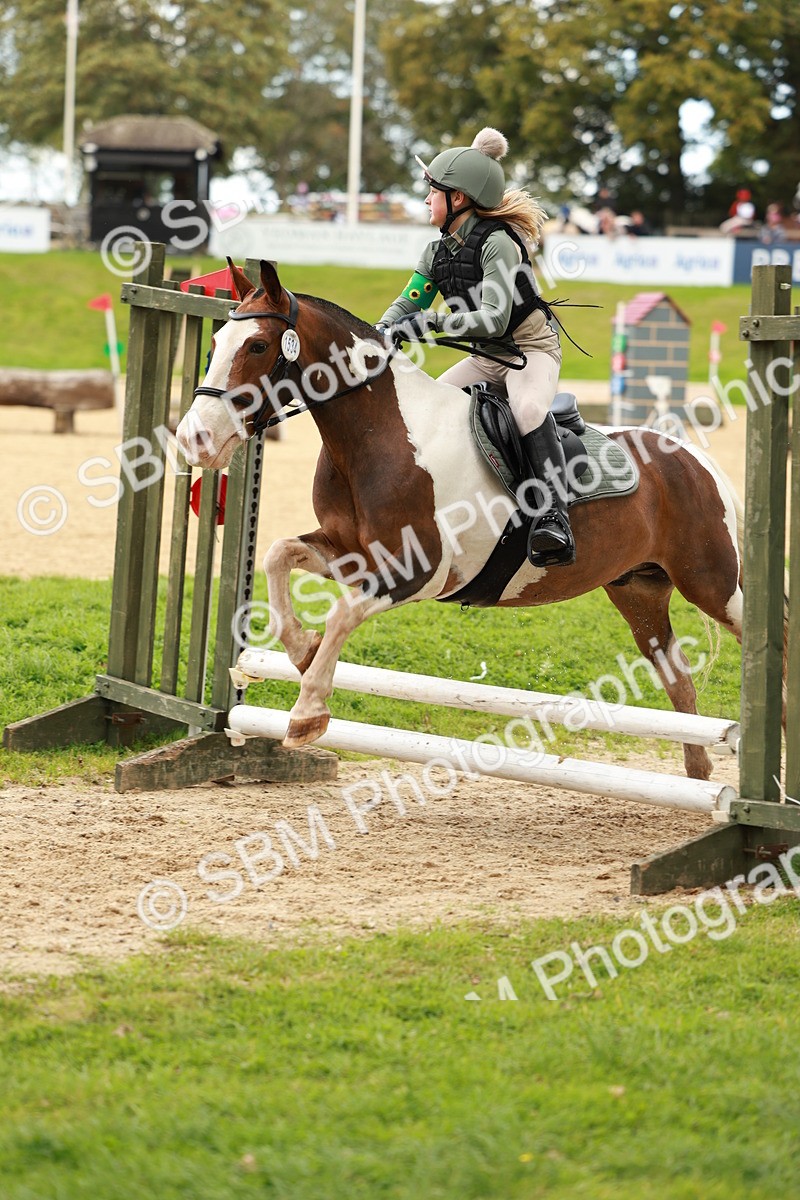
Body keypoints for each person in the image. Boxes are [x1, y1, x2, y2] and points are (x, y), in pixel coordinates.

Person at [376, 127, 574, 568]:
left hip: (529, 351)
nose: (426, 199)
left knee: (527, 411)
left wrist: (429, 324)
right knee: (426, 412)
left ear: (458, 198)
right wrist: (379, 331)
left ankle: (554, 518)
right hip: (486, 359)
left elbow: (494, 319)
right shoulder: (436, 252)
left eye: (432, 192)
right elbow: (409, 301)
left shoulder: (498, 244)